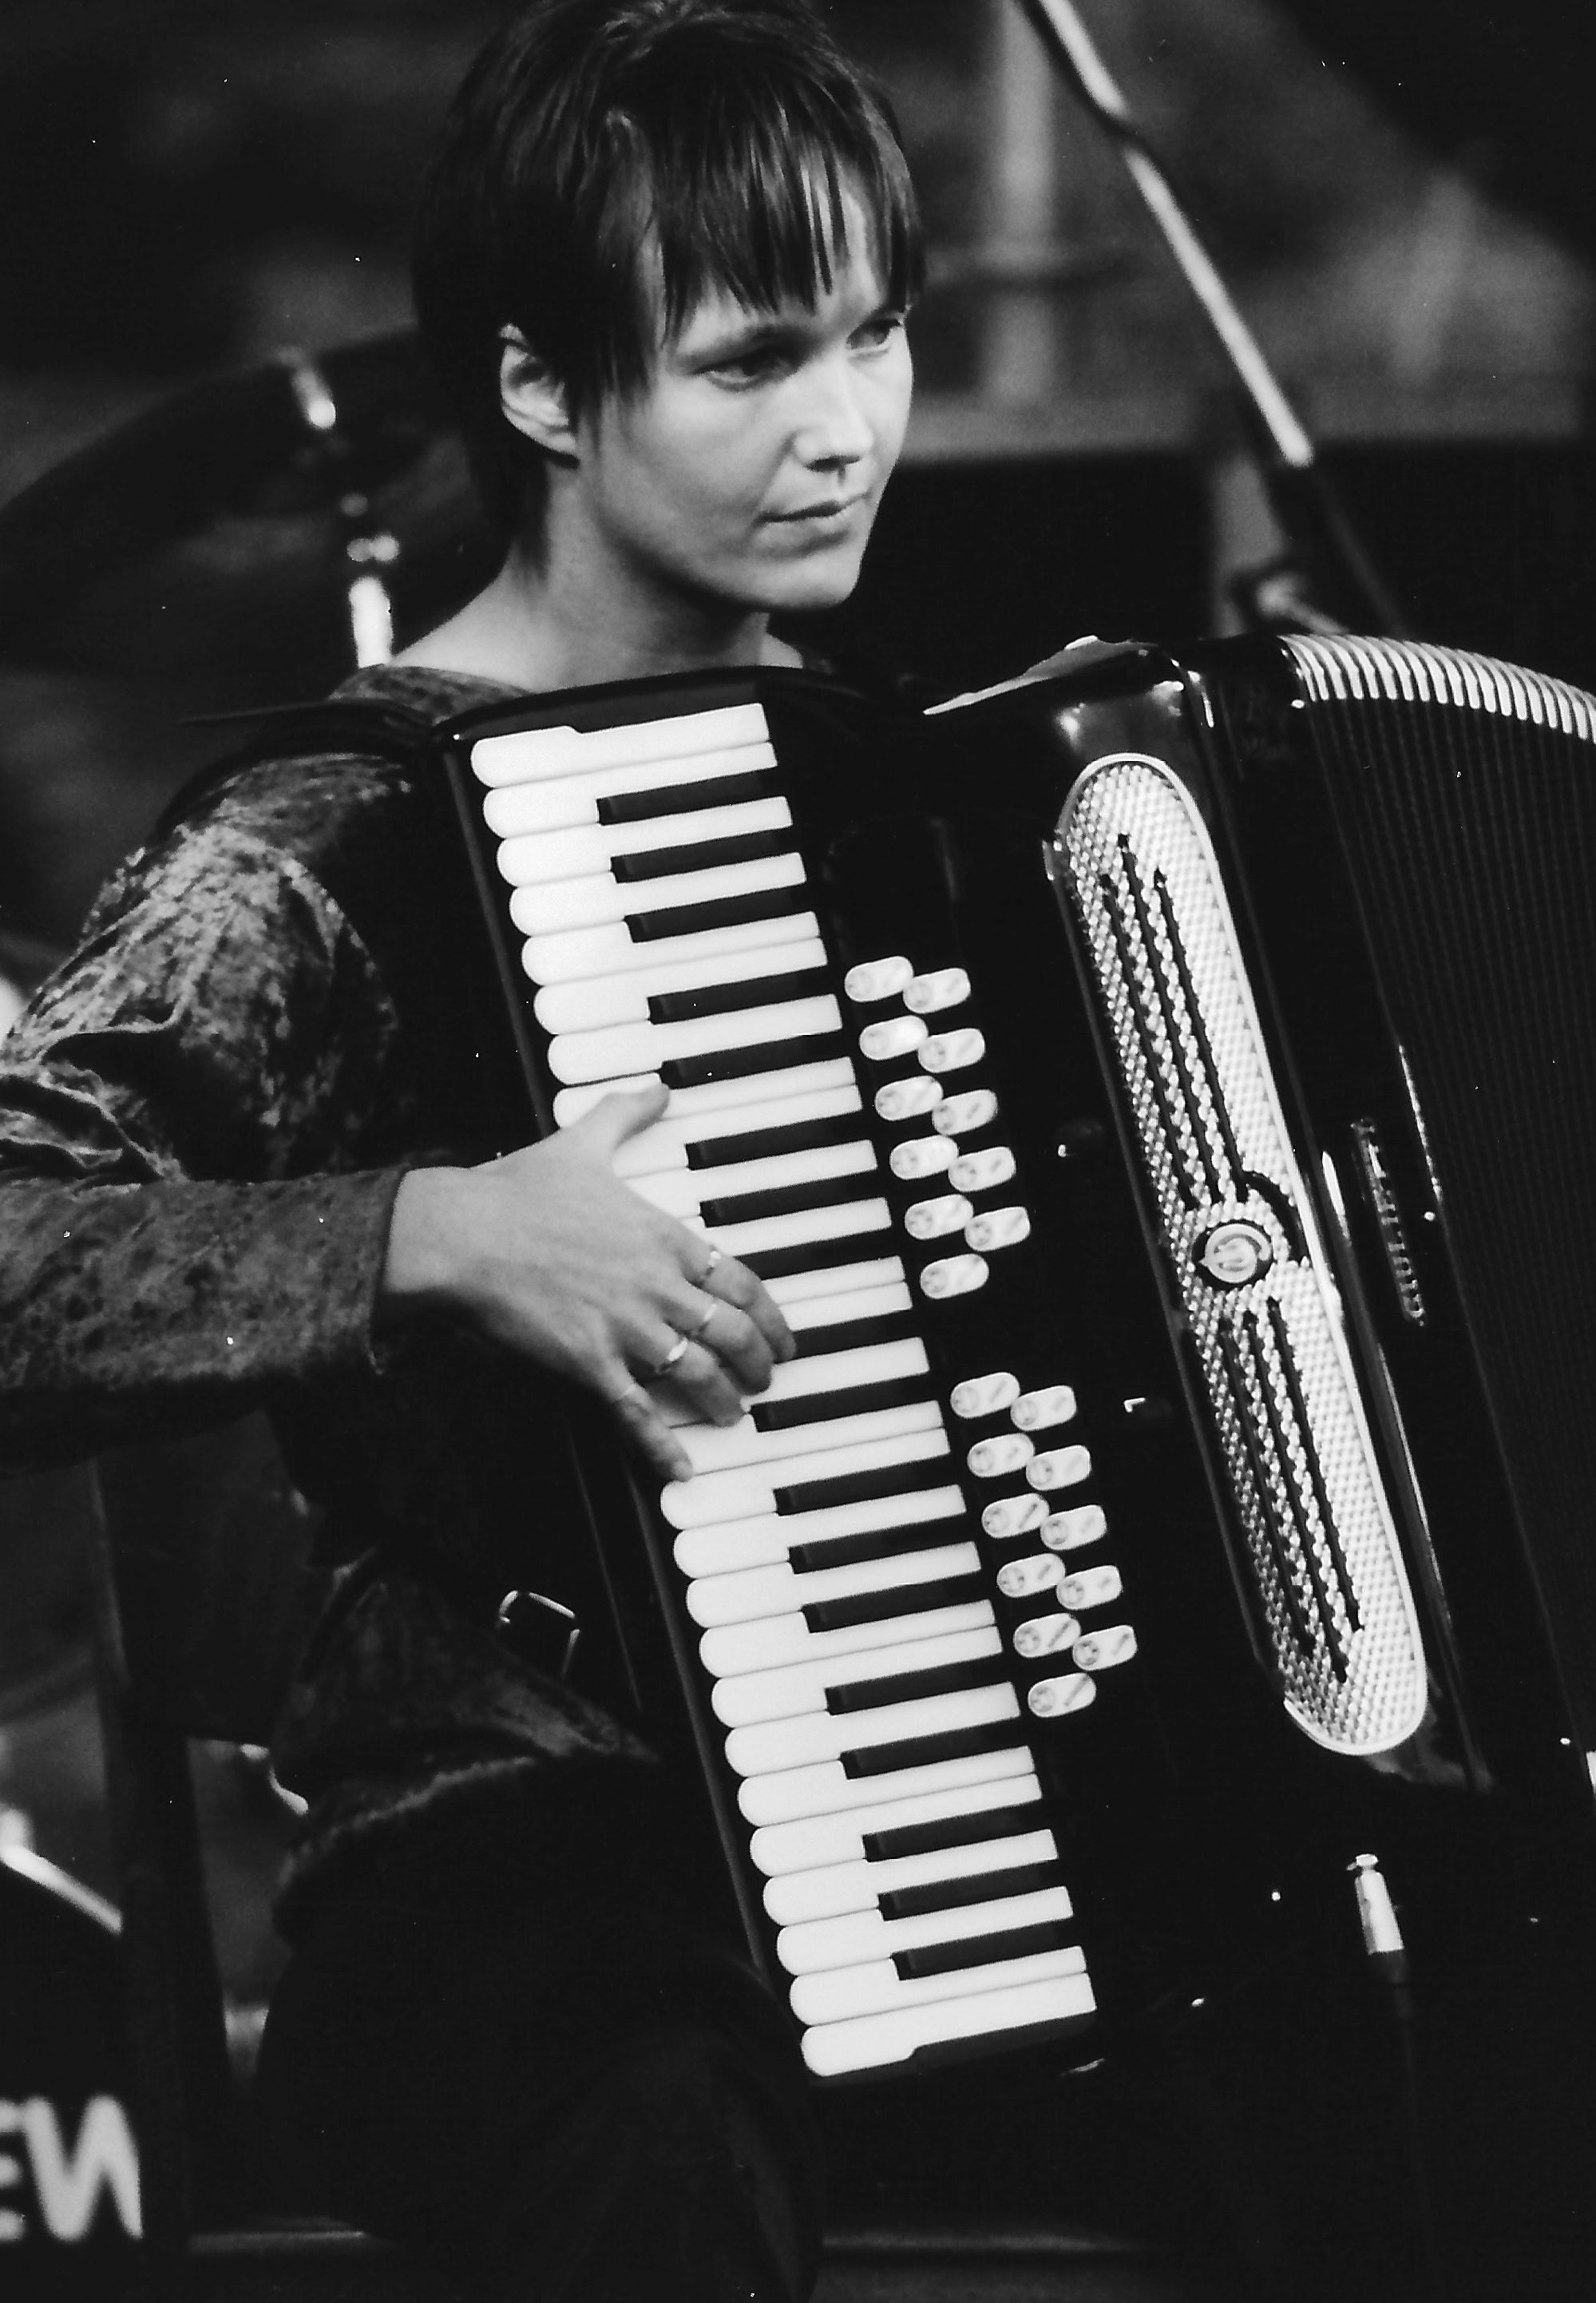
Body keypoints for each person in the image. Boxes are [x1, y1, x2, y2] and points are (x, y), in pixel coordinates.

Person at [0, 3, 921, 2295]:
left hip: (944, 1794)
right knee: (663, 2121)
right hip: (521, 1857)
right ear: (539, 390)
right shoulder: (332, 835)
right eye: (750, 362)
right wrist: (431, 1231)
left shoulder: (913, 789)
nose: (843, 428)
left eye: (879, 336)